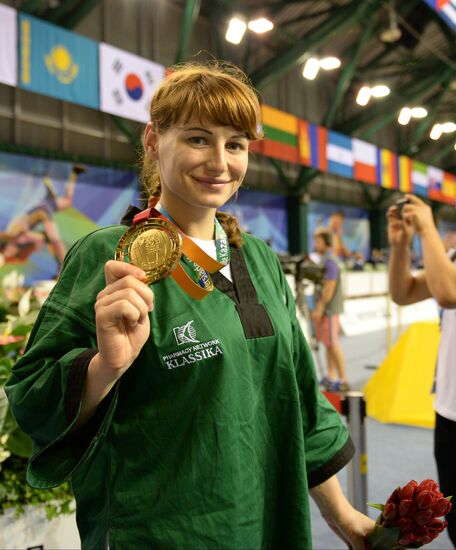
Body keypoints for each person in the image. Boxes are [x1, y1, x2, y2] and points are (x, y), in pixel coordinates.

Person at [6, 63, 373, 549]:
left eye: (236, 144)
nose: (220, 162)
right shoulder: (106, 256)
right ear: (154, 140)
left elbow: (299, 400)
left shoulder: (259, 259)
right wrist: (104, 367)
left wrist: (345, 518)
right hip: (161, 530)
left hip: (269, 522)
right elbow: (33, 398)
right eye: (199, 139)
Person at [388, 193, 456, 547]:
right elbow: (404, 292)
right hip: (449, 412)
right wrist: (401, 245)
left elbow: (449, 293)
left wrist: (428, 229)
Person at [0, 165, 84, 268]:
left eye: (6, 252)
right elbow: (40, 239)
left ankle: (64, 265)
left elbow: (21, 229)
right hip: (44, 208)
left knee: (55, 240)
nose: (9, 252)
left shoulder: (12, 235)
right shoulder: (25, 246)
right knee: (67, 203)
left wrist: (19, 234)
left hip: (37, 213)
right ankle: (73, 174)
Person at [311, 227, 349, 392]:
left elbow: (329, 288)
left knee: (333, 344)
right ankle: (331, 375)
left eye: (318, 241)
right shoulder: (324, 260)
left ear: (326, 242)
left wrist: (319, 308)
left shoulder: (329, 262)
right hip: (327, 309)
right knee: (328, 343)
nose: (315, 244)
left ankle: (343, 379)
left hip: (329, 310)